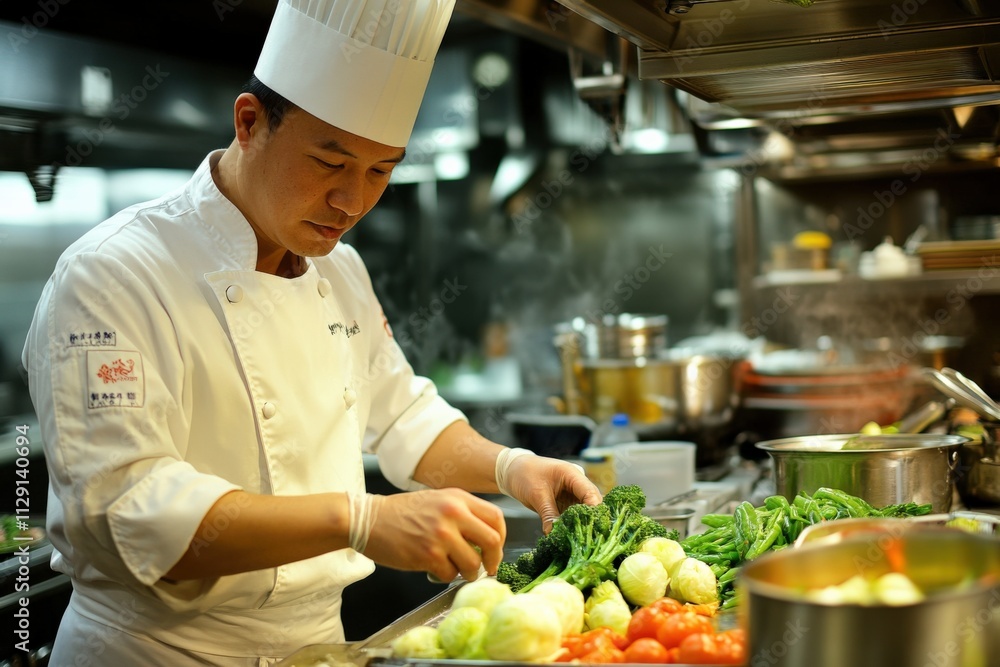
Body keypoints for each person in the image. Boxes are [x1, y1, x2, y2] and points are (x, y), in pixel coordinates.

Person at [20, 1, 601, 664]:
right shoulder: (113, 275)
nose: (352, 201)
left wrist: (513, 467)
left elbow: (402, 414)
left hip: (319, 647)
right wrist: (361, 519)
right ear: (249, 122)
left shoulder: (340, 268)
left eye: (381, 170)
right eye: (331, 162)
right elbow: (129, 512)